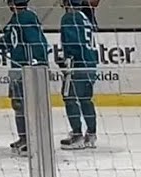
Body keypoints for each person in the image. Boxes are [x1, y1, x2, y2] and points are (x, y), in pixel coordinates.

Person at [0, 0, 48, 155]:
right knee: (18, 104)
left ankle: (33, 139)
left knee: (29, 106)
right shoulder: (16, 19)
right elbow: (9, 40)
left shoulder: (27, 17)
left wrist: (38, 61)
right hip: (17, 68)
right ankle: (24, 137)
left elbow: (37, 42)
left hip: (27, 69)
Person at [59, 0, 98, 148]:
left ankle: (77, 136)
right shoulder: (85, 17)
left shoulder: (69, 18)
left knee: (69, 98)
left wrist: (67, 60)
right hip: (90, 64)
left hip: (77, 65)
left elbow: (72, 43)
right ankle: (91, 134)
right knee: (86, 99)